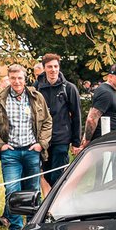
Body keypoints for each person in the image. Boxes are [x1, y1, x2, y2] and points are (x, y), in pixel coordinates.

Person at [0, 64, 52, 230]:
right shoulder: (0, 98)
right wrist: (0, 145)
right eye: (13, 78)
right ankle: (16, 229)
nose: (16, 81)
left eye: (20, 78)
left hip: (31, 151)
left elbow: (47, 122)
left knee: (33, 190)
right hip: (11, 152)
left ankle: (32, 226)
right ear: (9, 79)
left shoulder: (36, 97)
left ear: (25, 78)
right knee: (12, 190)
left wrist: (41, 144)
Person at [36, 54, 82, 186]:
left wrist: (76, 142)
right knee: (47, 175)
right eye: (49, 67)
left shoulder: (69, 88)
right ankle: (52, 203)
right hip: (43, 139)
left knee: (59, 176)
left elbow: (77, 115)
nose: (53, 70)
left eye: (56, 66)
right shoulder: (36, 87)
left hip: (62, 138)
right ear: (44, 68)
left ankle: (60, 203)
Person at [77, 63, 116, 153]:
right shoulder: (106, 93)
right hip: (104, 142)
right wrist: (87, 141)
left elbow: (91, 112)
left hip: (108, 141)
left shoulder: (108, 90)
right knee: (106, 166)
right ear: (110, 76)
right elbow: (92, 118)